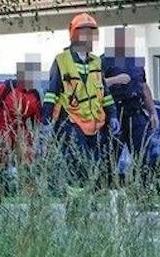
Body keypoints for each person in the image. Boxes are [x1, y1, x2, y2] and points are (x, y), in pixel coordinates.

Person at [44, 12, 114, 173]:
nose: (87, 38)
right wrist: (46, 122)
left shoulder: (96, 61)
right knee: (78, 165)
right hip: (70, 122)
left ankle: (88, 196)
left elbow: (105, 93)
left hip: (95, 124)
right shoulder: (61, 60)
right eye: (83, 33)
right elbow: (51, 94)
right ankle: (75, 196)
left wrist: (114, 116)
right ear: (73, 35)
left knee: (95, 167)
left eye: (90, 34)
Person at [0, 59, 44, 195]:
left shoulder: (34, 95)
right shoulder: (7, 87)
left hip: (22, 132)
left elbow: (37, 121)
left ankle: (31, 198)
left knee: (27, 164)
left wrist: (37, 142)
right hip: (3, 129)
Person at [103, 27, 156, 180]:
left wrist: (153, 113)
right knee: (111, 156)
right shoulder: (104, 61)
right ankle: (105, 188)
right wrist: (115, 80)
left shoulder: (136, 62)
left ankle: (145, 190)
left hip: (136, 112)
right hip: (116, 112)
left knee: (144, 154)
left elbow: (144, 87)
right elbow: (95, 84)